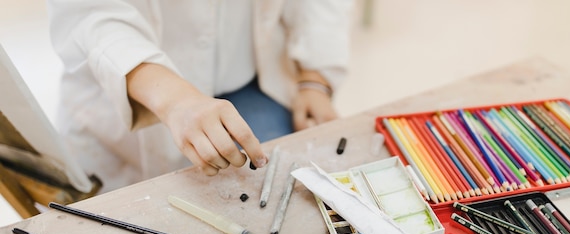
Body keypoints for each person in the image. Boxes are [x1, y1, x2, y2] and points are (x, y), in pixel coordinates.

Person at [47, 0, 354, 192]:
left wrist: (315, 77)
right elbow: (91, 14)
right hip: (126, 94)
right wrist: (175, 100)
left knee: (277, 189)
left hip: (255, 84)